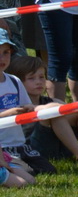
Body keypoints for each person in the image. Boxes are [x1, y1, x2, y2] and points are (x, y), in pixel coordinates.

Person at [0, 28, 56, 174]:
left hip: (20, 143)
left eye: (6, 52)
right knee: (28, 173)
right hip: (2, 147)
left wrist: (33, 109)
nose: (2, 58)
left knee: (48, 170)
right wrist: (9, 113)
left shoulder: (14, 81)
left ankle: (20, 166)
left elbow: (26, 105)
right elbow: (11, 113)